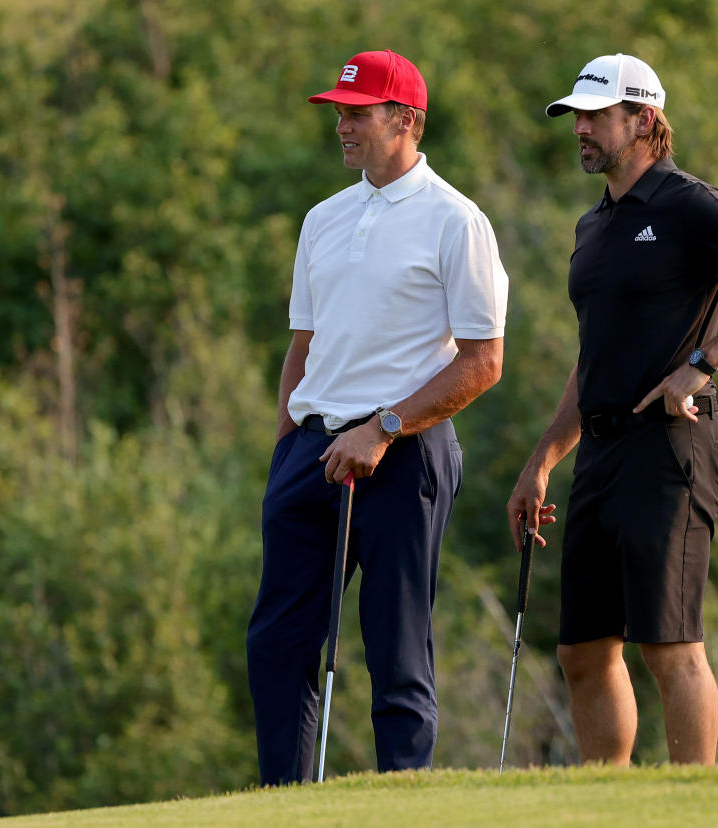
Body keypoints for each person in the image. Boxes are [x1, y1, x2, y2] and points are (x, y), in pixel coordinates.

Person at [506, 53, 718, 765]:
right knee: (583, 651)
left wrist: (702, 363)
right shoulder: (595, 227)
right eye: (577, 118)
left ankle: (691, 803)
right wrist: (542, 462)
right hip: (602, 452)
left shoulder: (689, 204)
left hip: (673, 448)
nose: (580, 130)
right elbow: (593, 360)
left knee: (670, 644)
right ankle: (609, 804)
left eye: (596, 117)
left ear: (644, 119)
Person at [247, 49, 508, 784]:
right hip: (311, 452)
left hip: (405, 451)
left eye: (356, 113)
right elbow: (304, 343)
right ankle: (283, 801)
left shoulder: (456, 220)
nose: (341, 124)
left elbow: (483, 362)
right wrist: (285, 448)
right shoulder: (323, 218)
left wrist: (384, 428)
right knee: (278, 644)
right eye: (338, 112)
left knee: (397, 648)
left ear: (405, 121)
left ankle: (401, 797)